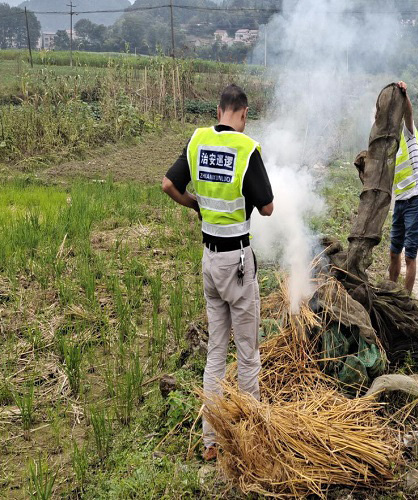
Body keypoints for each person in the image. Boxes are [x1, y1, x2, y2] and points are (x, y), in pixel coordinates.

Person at [161, 84, 274, 462]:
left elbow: (168, 185)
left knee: (216, 353)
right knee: (248, 355)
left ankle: (210, 441)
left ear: (217, 110)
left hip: (209, 261)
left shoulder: (197, 140)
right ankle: (250, 436)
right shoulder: (247, 149)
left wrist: (196, 204)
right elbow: (268, 208)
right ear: (243, 114)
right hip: (238, 264)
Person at [388, 81, 418, 294]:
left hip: (415, 199)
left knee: (410, 255)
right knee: (394, 252)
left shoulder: (408, 132)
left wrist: (404, 95)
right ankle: (391, 291)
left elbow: (409, 113)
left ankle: (406, 299)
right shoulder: (389, 142)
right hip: (400, 201)